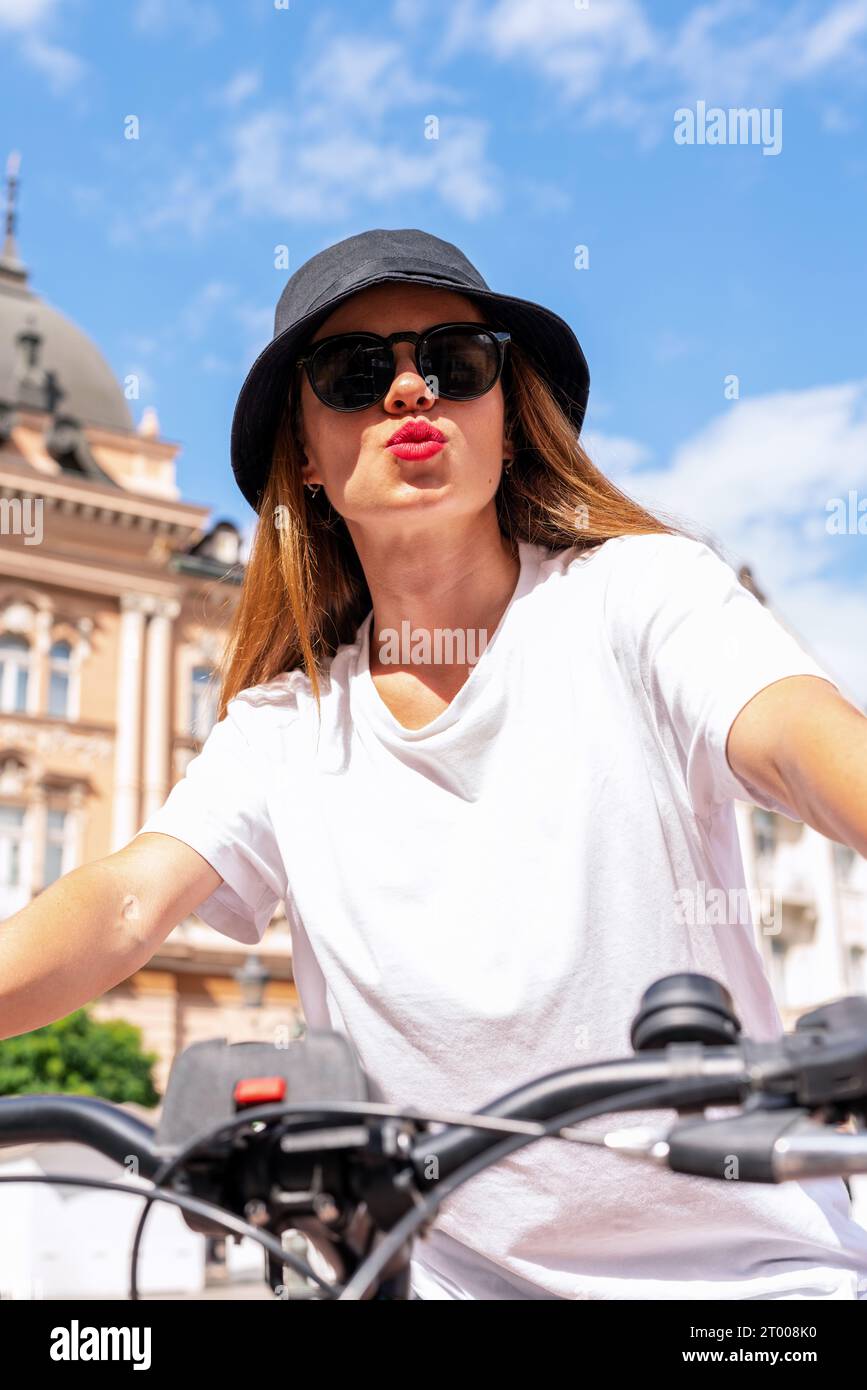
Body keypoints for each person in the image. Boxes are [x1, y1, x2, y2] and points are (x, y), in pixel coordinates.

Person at [3, 228, 867, 1301]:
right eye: (355, 374)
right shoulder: (286, 726)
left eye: (455, 364)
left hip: (755, 1287)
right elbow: (127, 900)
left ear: (508, 422)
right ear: (306, 458)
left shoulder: (640, 598)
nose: (410, 390)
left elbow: (798, 737)